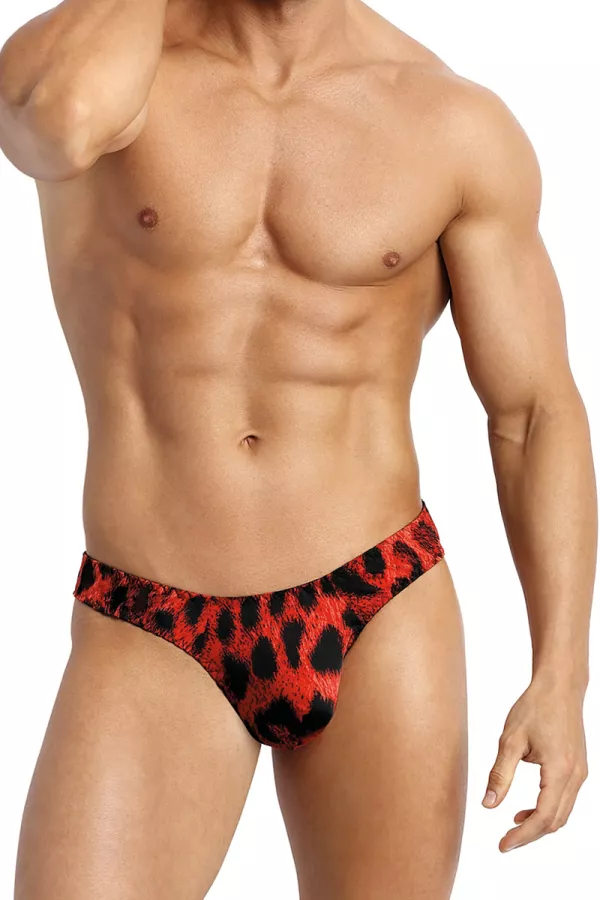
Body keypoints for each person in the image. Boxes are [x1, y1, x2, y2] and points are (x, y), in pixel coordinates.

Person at [1, 1, 596, 898]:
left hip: (376, 606)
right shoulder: (111, 76)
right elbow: (55, 123)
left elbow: (533, 411)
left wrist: (562, 673)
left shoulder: (451, 122)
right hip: (154, 618)